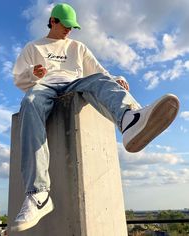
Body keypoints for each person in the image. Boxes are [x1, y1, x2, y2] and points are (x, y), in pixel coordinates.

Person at [12, 3, 179, 232]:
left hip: (75, 84)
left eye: (72, 27)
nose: (69, 30)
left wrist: (114, 79)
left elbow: (97, 71)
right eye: (66, 25)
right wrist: (32, 74)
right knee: (30, 102)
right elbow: (18, 79)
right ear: (53, 21)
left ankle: (130, 119)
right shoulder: (34, 47)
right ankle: (38, 195)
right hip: (45, 87)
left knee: (99, 81)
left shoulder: (78, 47)